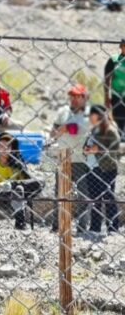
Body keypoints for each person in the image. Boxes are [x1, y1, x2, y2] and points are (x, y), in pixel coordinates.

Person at [0, 134, 41, 230]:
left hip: (17, 194)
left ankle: (12, 184)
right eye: (2, 146)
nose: (5, 149)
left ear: (11, 149)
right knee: (18, 189)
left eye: (8, 146)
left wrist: (13, 184)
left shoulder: (16, 164)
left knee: (34, 183)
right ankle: (20, 222)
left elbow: (30, 182)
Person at [48, 83, 91, 231]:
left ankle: (82, 226)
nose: (74, 99)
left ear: (84, 98)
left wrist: (64, 128)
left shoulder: (88, 114)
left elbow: (79, 130)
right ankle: (57, 225)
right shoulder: (63, 111)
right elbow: (54, 130)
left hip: (80, 159)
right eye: (72, 96)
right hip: (63, 157)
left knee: (82, 194)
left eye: (77, 96)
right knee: (60, 192)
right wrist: (59, 130)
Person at [84, 105, 121, 235]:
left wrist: (98, 149)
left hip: (106, 168)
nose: (89, 117)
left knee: (108, 197)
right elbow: (88, 145)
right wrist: (86, 149)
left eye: (91, 115)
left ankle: (113, 228)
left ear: (97, 115)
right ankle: (95, 228)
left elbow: (115, 147)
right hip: (91, 168)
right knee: (95, 199)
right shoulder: (94, 129)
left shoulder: (110, 129)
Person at [103, 39, 125, 133]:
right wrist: (106, 97)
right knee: (119, 120)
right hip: (117, 95)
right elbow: (107, 79)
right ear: (121, 47)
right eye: (124, 46)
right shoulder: (114, 60)